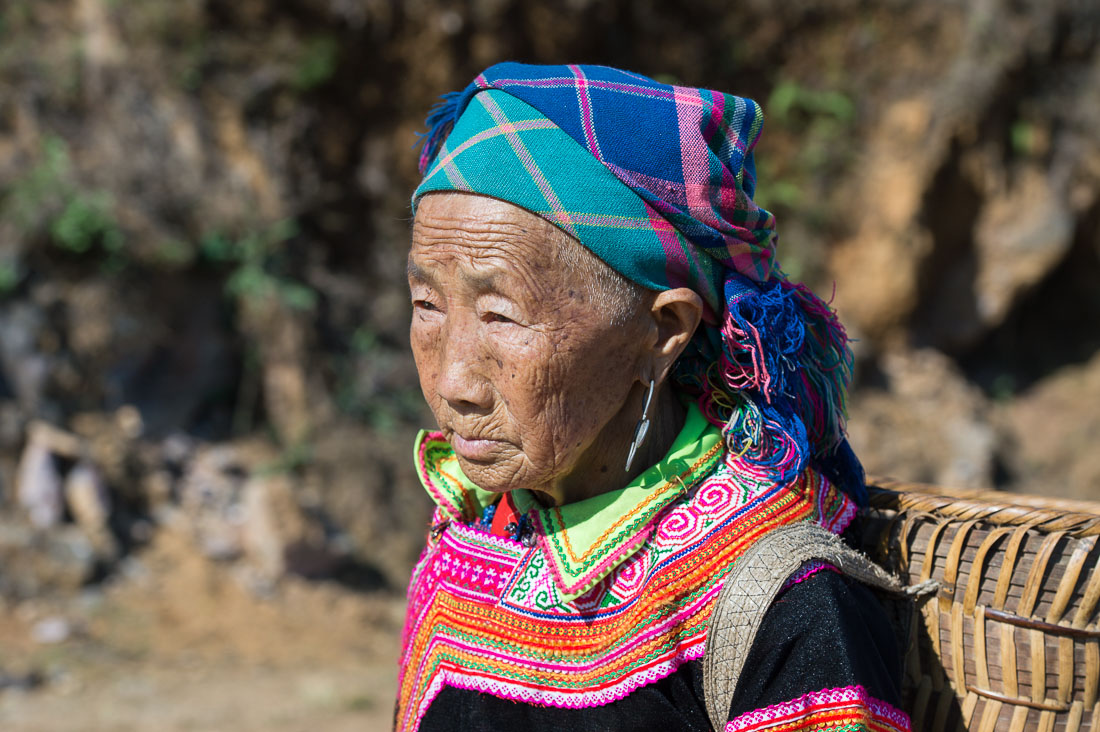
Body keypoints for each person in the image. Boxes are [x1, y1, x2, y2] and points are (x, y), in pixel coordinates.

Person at [395, 63, 909, 732]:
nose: (454, 383)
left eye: (501, 316)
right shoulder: (470, 534)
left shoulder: (783, 605)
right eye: (427, 304)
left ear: (663, 330)